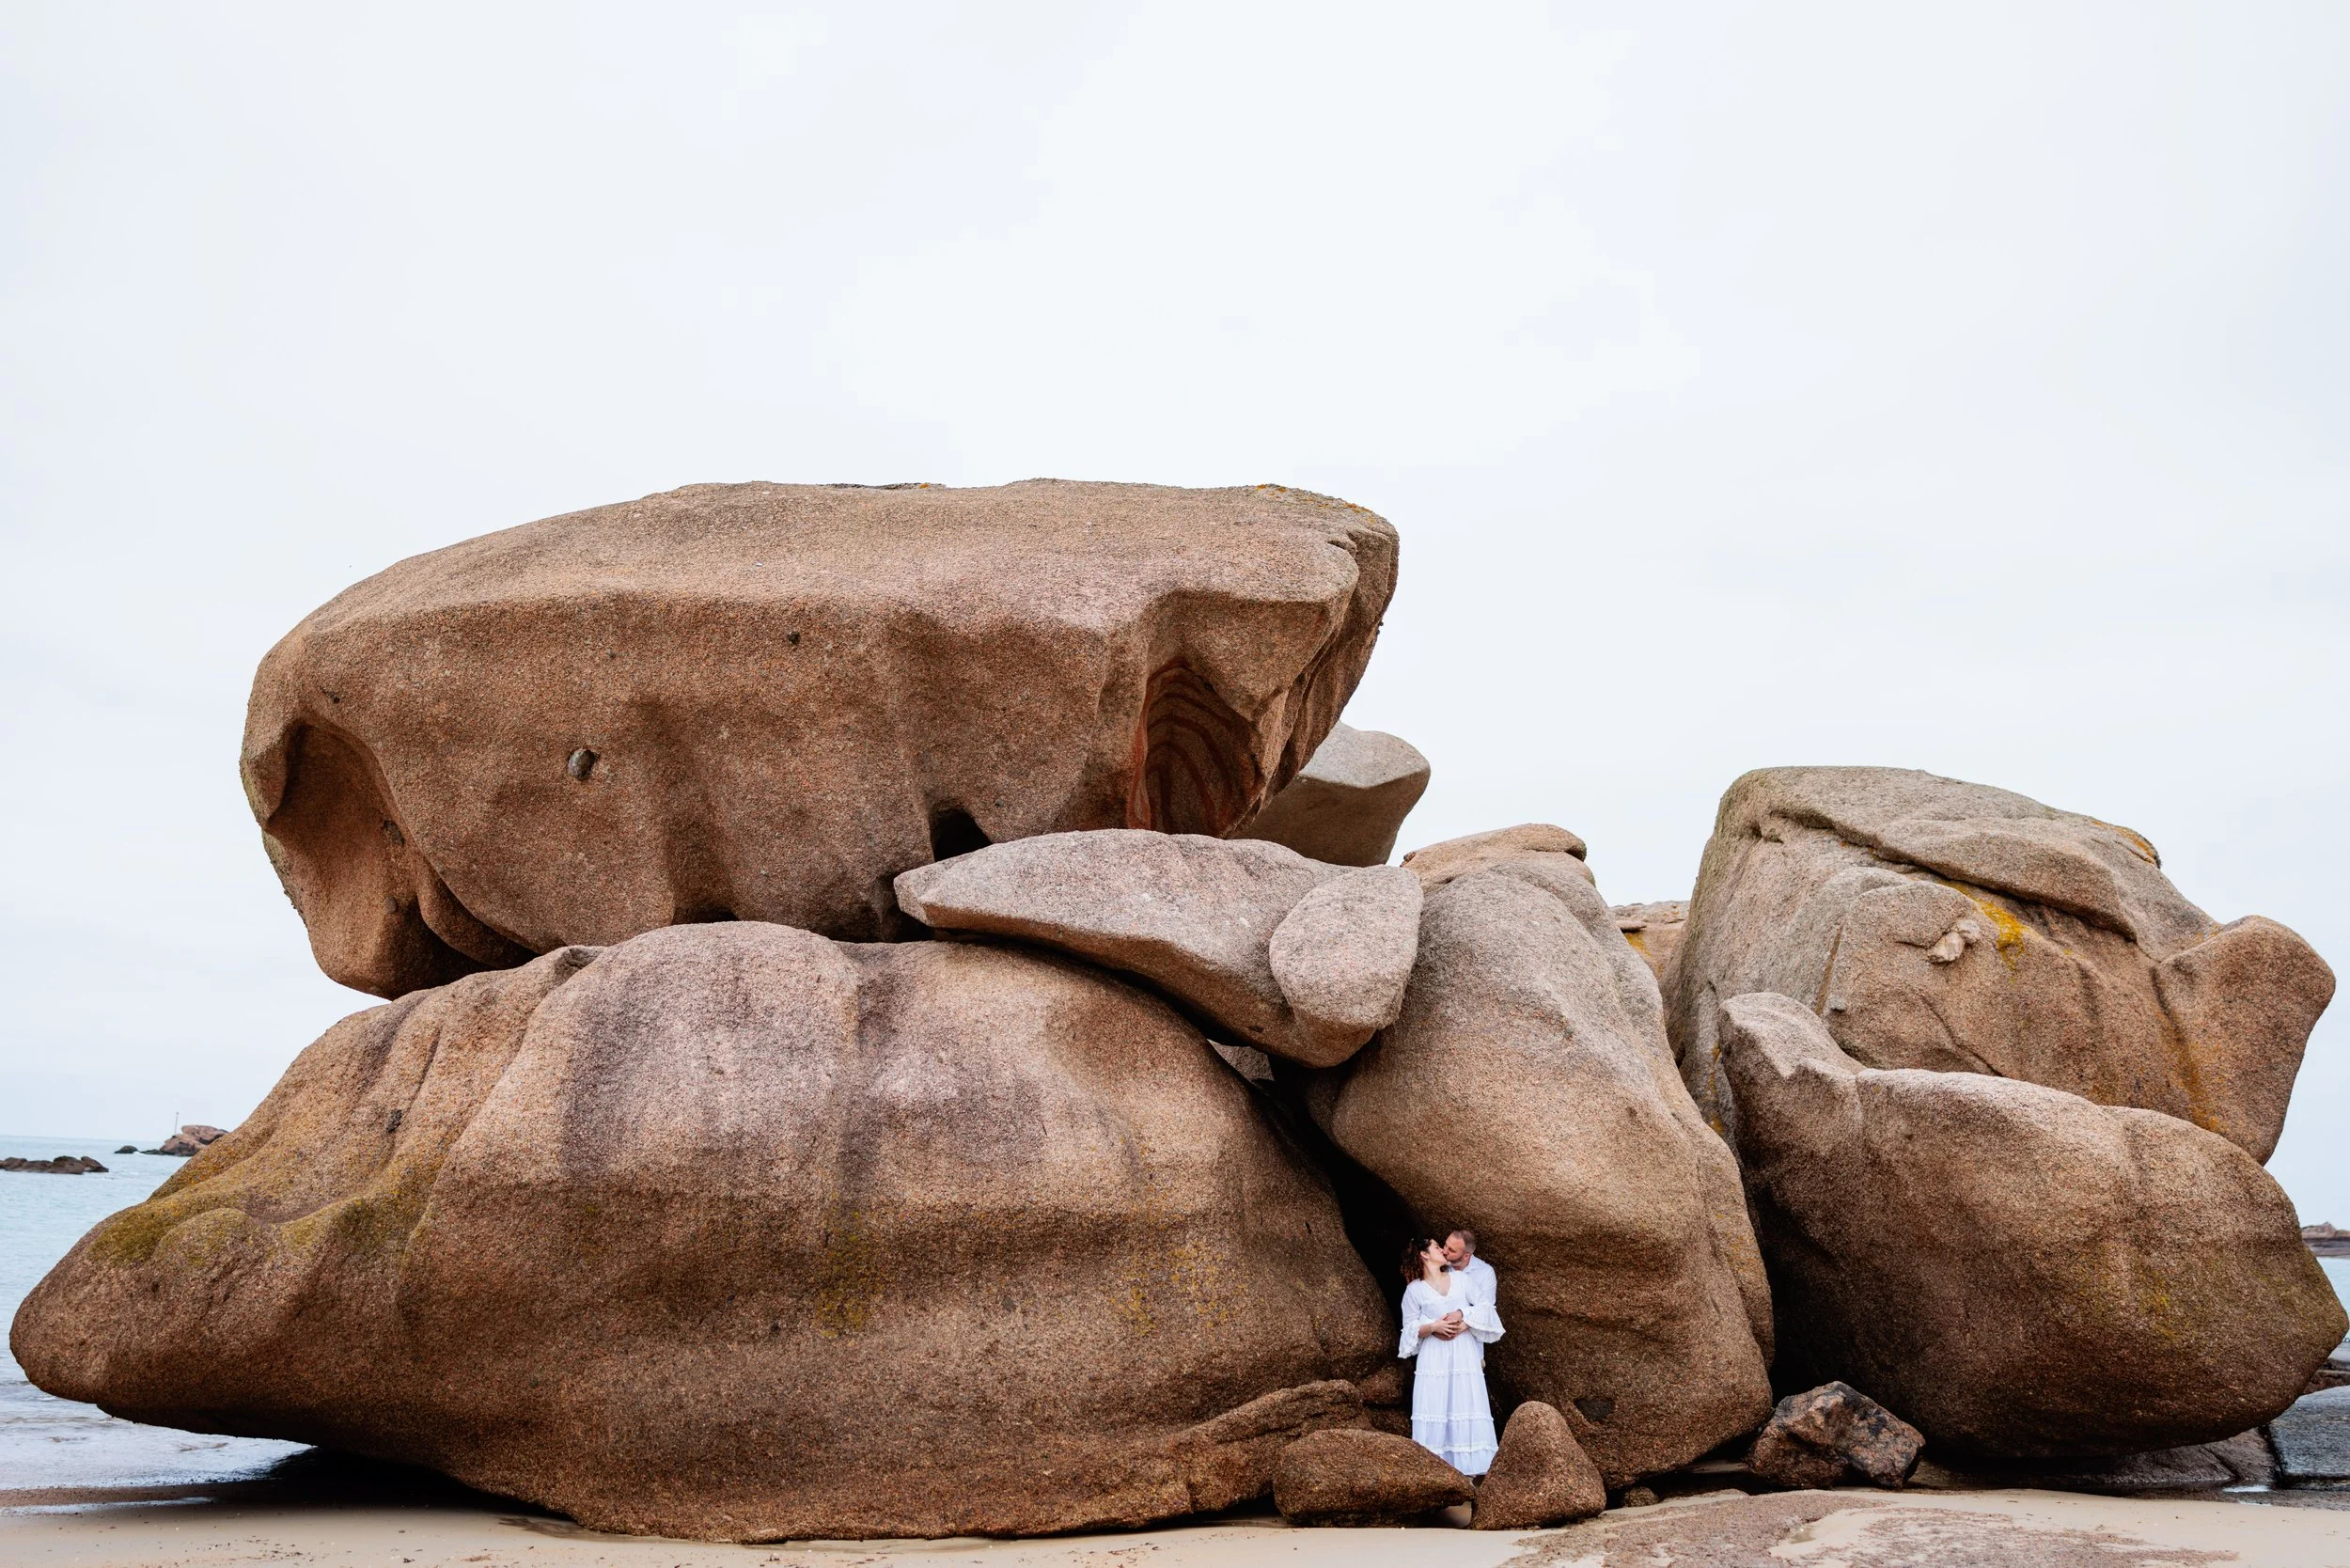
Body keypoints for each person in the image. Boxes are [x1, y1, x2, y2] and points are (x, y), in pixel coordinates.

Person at [1397, 1235, 1504, 1475]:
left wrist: (1463, 1317)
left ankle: (1473, 1472)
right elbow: (1408, 1331)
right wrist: (1434, 1327)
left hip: (1464, 1353)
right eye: (1437, 1247)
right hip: (1434, 1357)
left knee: (1465, 1403)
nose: (1443, 1251)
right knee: (1436, 1405)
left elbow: (1486, 1309)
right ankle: (1437, 1471)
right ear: (1424, 1255)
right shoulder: (1414, 1290)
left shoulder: (1462, 1280)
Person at [1444, 1229, 1496, 1311]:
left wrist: (1462, 1314)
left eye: (1451, 1250)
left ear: (1466, 1256)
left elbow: (1487, 1309)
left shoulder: (1486, 1272)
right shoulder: (1439, 1263)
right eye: (1445, 1245)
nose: (1444, 1252)